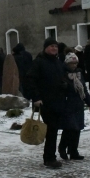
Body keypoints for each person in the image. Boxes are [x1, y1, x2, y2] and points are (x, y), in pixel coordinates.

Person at [23, 37, 68, 170]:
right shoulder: (39, 62)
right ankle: (49, 158)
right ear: (45, 48)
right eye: (51, 46)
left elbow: (61, 77)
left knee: (53, 130)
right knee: (51, 130)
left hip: (58, 100)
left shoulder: (57, 62)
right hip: (45, 102)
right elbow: (30, 80)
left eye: (56, 46)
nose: (54, 48)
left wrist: (64, 84)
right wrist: (36, 97)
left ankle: (50, 156)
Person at [58, 53, 90, 161]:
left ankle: (73, 151)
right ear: (67, 63)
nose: (74, 65)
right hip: (67, 104)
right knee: (69, 128)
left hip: (78, 104)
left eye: (75, 63)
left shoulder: (79, 74)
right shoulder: (62, 73)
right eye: (71, 63)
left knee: (77, 128)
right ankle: (62, 148)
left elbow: (83, 89)